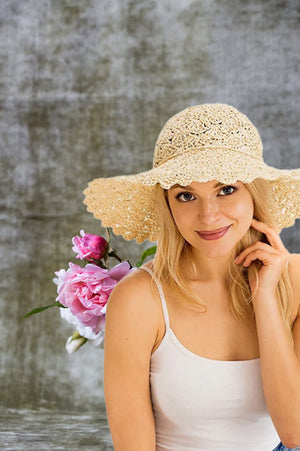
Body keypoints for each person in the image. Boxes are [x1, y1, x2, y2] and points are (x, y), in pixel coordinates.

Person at [83, 103, 300, 450]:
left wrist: (265, 299)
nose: (208, 216)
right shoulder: (139, 298)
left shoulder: (295, 279)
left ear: (253, 194)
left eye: (226, 189)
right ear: (168, 206)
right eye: (186, 196)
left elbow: (295, 432)